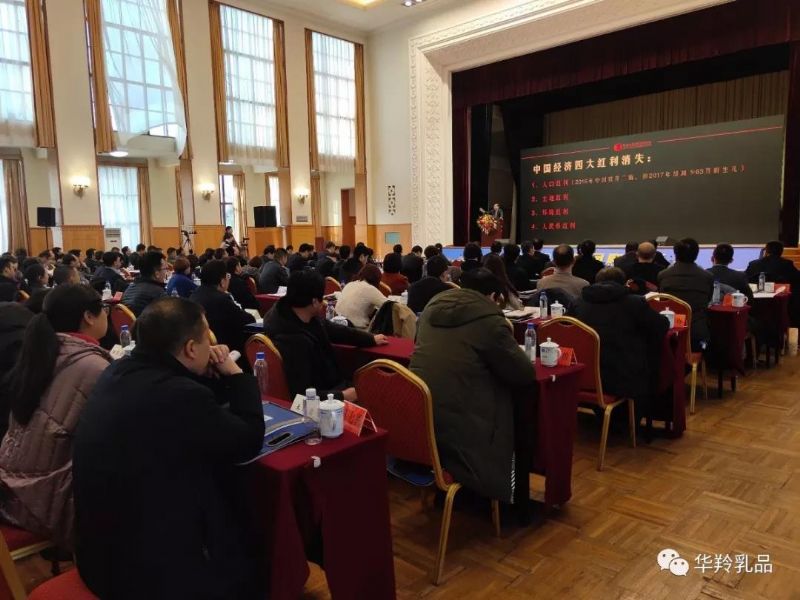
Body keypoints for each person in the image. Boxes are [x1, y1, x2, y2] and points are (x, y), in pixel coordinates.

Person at [73, 297, 264, 599]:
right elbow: (248, 441)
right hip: (145, 574)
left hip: (97, 551)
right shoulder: (178, 394)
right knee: (244, 525)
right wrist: (237, 376)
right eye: (206, 339)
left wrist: (202, 374)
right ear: (190, 348)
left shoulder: (117, 371)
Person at [410, 268, 536, 501]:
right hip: (466, 426)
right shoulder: (489, 321)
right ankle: (510, 498)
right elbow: (524, 373)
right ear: (493, 296)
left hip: (422, 416)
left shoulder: (430, 310)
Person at [0, 284, 111, 549]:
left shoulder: (43, 351)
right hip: (44, 501)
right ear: (89, 317)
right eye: (104, 309)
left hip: (12, 486)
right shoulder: (91, 366)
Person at [264, 270, 385, 401]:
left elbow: (336, 330)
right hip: (326, 397)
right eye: (322, 297)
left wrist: (370, 338)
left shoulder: (300, 316)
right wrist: (343, 396)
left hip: (330, 385)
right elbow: (301, 394)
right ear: (314, 302)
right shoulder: (293, 341)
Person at [571, 267, 669, 401]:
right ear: (624, 283)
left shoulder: (578, 302)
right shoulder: (635, 303)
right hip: (623, 378)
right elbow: (661, 326)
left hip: (582, 374)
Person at [658, 238, 713, 350]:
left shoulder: (663, 275)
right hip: (696, 333)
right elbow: (708, 299)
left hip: (669, 332)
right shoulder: (707, 277)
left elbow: (663, 300)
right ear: (696, 254)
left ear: (675, 253)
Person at [190, 260, 255, 353]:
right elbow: (248, 320)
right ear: (222, 281)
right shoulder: (221, 299)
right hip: (225, 350)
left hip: (202, 348)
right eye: (227, 276)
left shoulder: (194, 294)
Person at [335, 264, 389, 329]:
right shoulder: (370, 289)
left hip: (337, 325)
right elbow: (389, 305)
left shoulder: (350, 284)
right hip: (357, 329)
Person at [121, 251, 168, 317]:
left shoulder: (131, 287)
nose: (166, 272)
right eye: (165, 269)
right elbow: (168, 316)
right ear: (157, 273)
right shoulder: (158, 292)